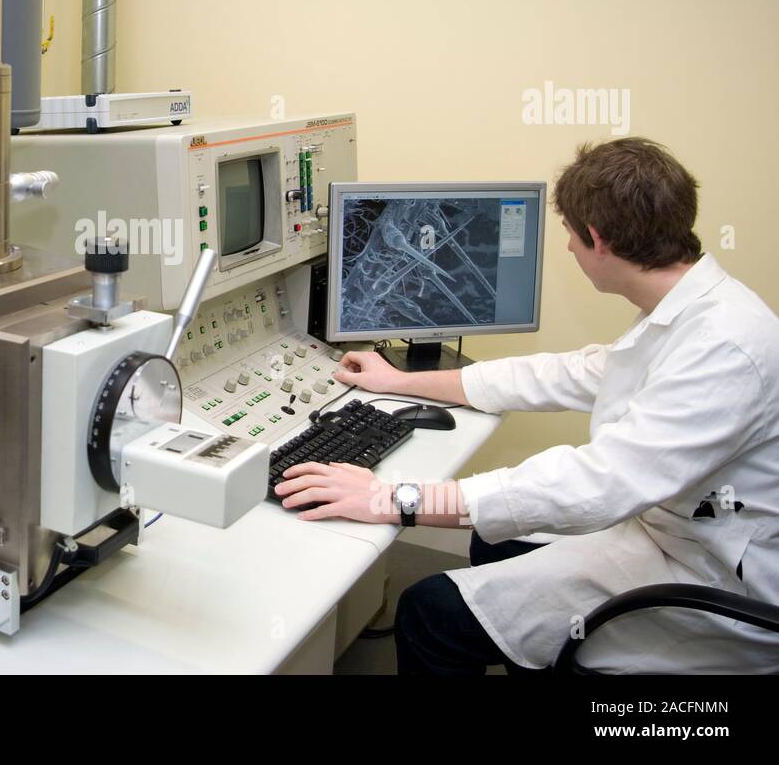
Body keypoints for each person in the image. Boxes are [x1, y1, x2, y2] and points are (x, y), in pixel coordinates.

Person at [275, 138, 779, 673]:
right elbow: (568, 373)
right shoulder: (691, 311)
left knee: (429, 612)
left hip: (713, 586)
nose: (569, 249)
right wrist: (401, 380)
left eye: (571, 235)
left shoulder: (724, 347)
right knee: (494, 542)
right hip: (674, 534)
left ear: (597, 239)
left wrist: (393, 499)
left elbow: (596, 484)